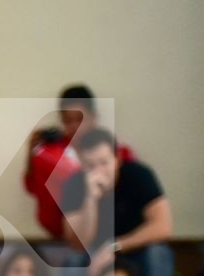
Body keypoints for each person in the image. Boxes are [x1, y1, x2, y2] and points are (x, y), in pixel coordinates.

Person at [60, 128, 174, 276]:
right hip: (94, 254)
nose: (98, 171)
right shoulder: (74, 184)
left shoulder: (139, 175)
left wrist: (114, 246)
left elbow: (163, 227)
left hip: (134, 251)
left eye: (104, 163)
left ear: (117, 159)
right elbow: (77, 242)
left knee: (157, 254)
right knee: (74, 261)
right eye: (90, 165)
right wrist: (90, 199)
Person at [24, 85, 132, 244]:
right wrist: (31, 152)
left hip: (115, 234)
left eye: (80, 119)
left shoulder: (116, 152)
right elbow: (32, 187)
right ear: (61, 121)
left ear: (93, 117)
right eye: (68, 120)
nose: (75, 126)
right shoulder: (48, 155)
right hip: (65, 236)